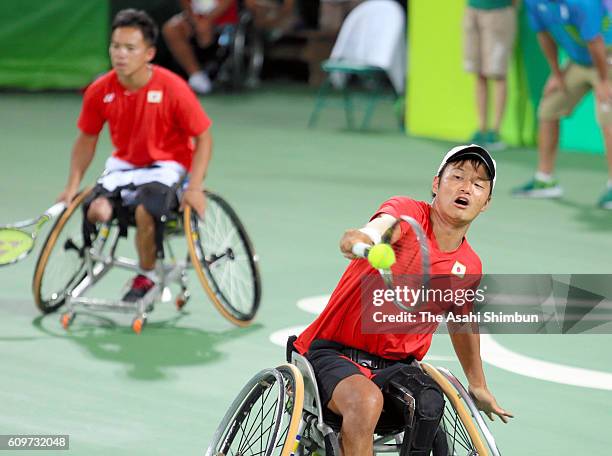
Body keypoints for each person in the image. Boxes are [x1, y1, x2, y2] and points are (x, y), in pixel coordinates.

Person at [292, 145, 513, 455]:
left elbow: (462, 321)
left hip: (396, 368)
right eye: (458, 176)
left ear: (486, 202)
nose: (466, 187)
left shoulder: (469, 265)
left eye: (478, 184)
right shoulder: (408, 215)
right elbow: (378, 227)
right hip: (333, 353)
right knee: (366, 401)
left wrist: (478, 385)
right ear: (436, 184)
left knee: (430, 402)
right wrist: (363, 239)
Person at [57, 9, 213, 303]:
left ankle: (148, 275)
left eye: (130, 48)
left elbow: (204, 138)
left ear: (149, 53)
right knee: (96, 211)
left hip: (168, 166)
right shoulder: (99, 90)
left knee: (145, 211)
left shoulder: (173, 88)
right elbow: (87, 139)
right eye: (115, 47)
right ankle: (98, 259)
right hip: (125, 166)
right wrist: (72, 184)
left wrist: (195, 187)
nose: (121, 55)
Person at [513, 0, 612, 209]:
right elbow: (544, 35)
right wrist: (557, 74)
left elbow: (595, 43)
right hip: (579, 62)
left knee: (608, 117)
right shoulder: (534, 3)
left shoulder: (585, 4)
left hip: (607, 58)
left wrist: (604, 82)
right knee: (548, 108)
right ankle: (545, 179)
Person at [464, 0, 517, 150]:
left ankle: (495, 131)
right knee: (479, 72)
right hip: (473, 9)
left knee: (498, 72)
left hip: (499, 10)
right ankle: (481, 128)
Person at [162, 0, 239, 94]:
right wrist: (195, 21)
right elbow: (185, 3)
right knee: (170, 29)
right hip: (195, 18)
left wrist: (208, 20)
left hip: (223, 18)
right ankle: (196, 76)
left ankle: (212, 66)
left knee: (204, 30)